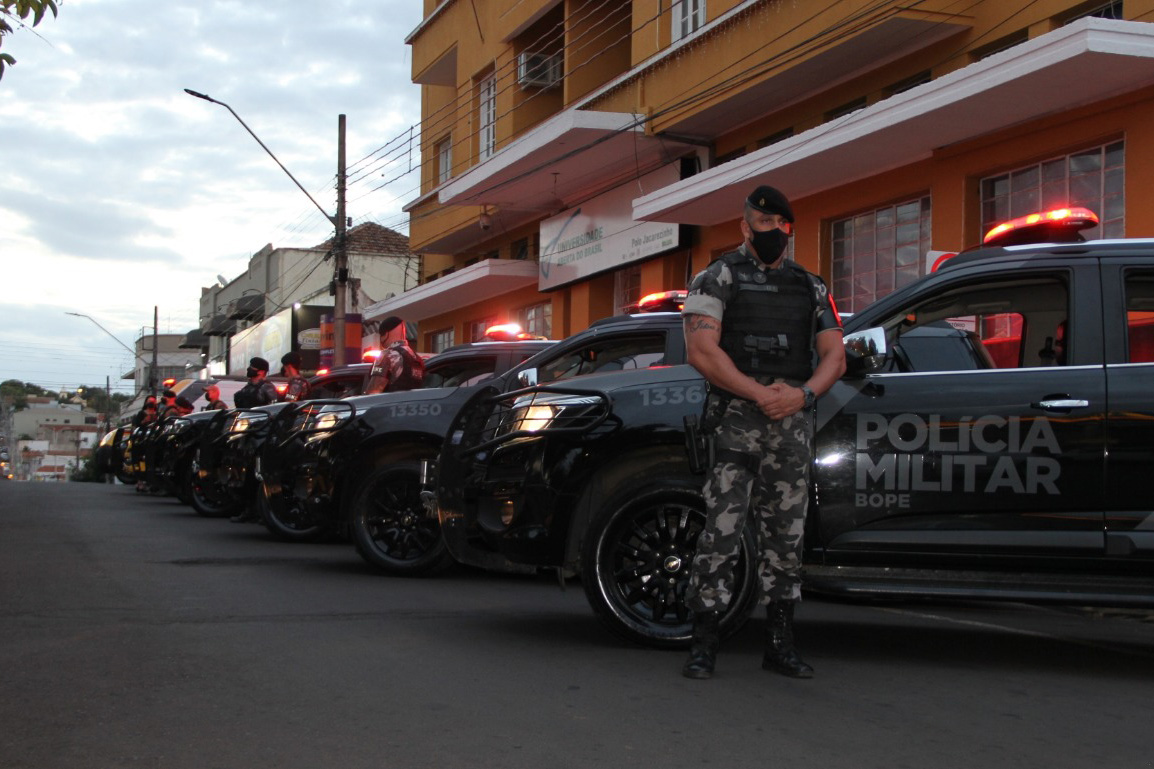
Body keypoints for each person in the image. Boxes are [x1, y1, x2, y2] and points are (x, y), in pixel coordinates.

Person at [680, 184, 846, 680]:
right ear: (744, 226)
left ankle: (779, 643)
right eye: (764, 223)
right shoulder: (716, 278)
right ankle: (704, 641)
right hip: (737, 416)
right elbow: (702, 353)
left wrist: (803, 396)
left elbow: (834, 355)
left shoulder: (811, 285)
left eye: (781, 226)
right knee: (722, 531)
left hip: (791, 421)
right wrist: (759, 393)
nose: (773, 233)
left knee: (786, 536)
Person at [365, 316, 425, 394]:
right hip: (413, 405)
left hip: (390, 404)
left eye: (381, 335)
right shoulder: (417, 358)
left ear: (385, 334)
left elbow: (373, 391)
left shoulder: (387, 355)